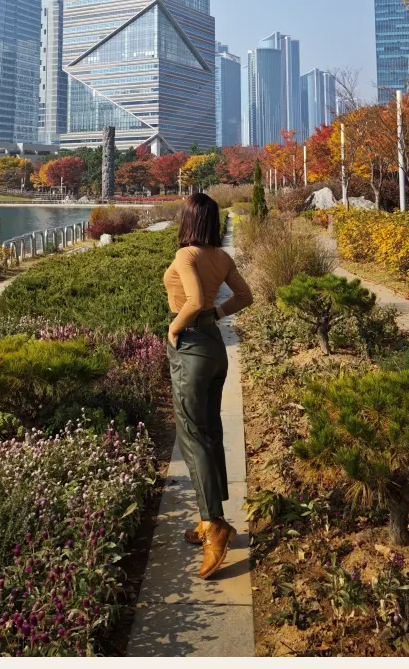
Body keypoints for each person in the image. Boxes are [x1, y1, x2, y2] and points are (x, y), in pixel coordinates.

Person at [162, 192, 253, 580]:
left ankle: (213, 525)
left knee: (192, 435)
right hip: (216, 346)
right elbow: (245, 296)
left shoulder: (187, 255)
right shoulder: (221, 256)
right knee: (210, 431)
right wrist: (216, 313)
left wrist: (175, 327)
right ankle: (210, 519)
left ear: (188, 219)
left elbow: (195, 298)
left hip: (193, 348)